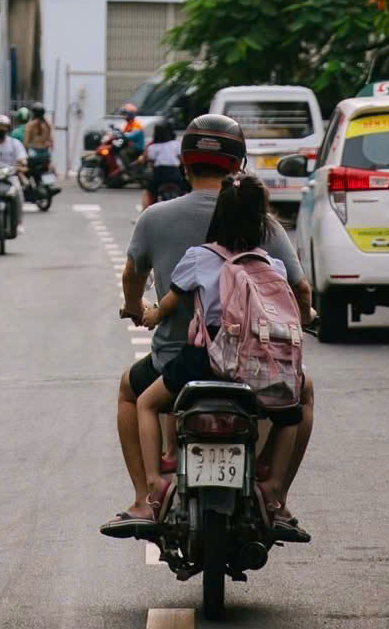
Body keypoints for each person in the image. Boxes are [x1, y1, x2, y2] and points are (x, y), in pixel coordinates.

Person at [102, 115, 316, 544]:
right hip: (256, 366)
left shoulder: (158, 219)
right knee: (301, 394)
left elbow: (133, 275)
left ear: (184, 163)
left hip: (180, 360)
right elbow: (300, 289)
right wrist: (307, 316)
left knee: (131, 393)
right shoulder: (266, 227)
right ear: (239, 166)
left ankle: (145, 498)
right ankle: (276, 498)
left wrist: (137, 309)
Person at [135, 173, 308, 539]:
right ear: (262, 221)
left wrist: (150, 314)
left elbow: (167, 305)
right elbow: (296, 306)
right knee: (291, 413)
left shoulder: (199, 257)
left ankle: (154, 486)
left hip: (205, 360)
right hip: (256, 368)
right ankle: (274, 488)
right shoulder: (273, 266)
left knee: (147, 403)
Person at [143, 119, 183, 203]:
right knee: (186, 190)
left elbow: (150, 161)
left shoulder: (152, 147)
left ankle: (148, 210)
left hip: (159, 174)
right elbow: (181, 159)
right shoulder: (176, 144)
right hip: (175, 173)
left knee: (149, 193)